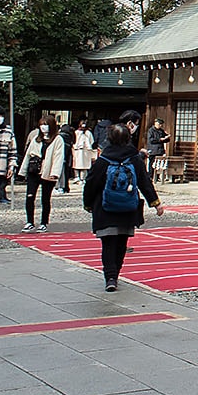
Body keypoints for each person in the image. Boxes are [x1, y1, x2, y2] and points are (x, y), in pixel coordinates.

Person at [82, 122, 163, 292]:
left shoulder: (103, 160)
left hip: (105, 208)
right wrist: (155, 203)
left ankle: (110, 277)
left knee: (108, 244)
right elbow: (144, 182)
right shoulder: (134, 159)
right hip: (127, 208)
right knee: (121, 243)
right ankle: (115, 274)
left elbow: (91, 183)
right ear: (128, 138)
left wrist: (88, 204)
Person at [20, 115, 67, 232]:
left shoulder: (57, 139)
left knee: (45, 198)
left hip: (48, 171)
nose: (43, 127)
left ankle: (43, 222)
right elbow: (28, 155)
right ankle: (29, 221)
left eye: (46, 125)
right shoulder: (36, 139)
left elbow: (58, 157)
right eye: (41, 125)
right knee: (30, 196)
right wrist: (23, 170)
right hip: (34, 170)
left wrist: (55, 172)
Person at [72, 119, 95, 184]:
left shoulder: (77, 132)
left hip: (81, 151)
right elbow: (91, 141)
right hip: (83, 151)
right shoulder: (87, 133)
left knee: (79, 165)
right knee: (82, 165)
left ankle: (78, 177)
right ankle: (81, 178)